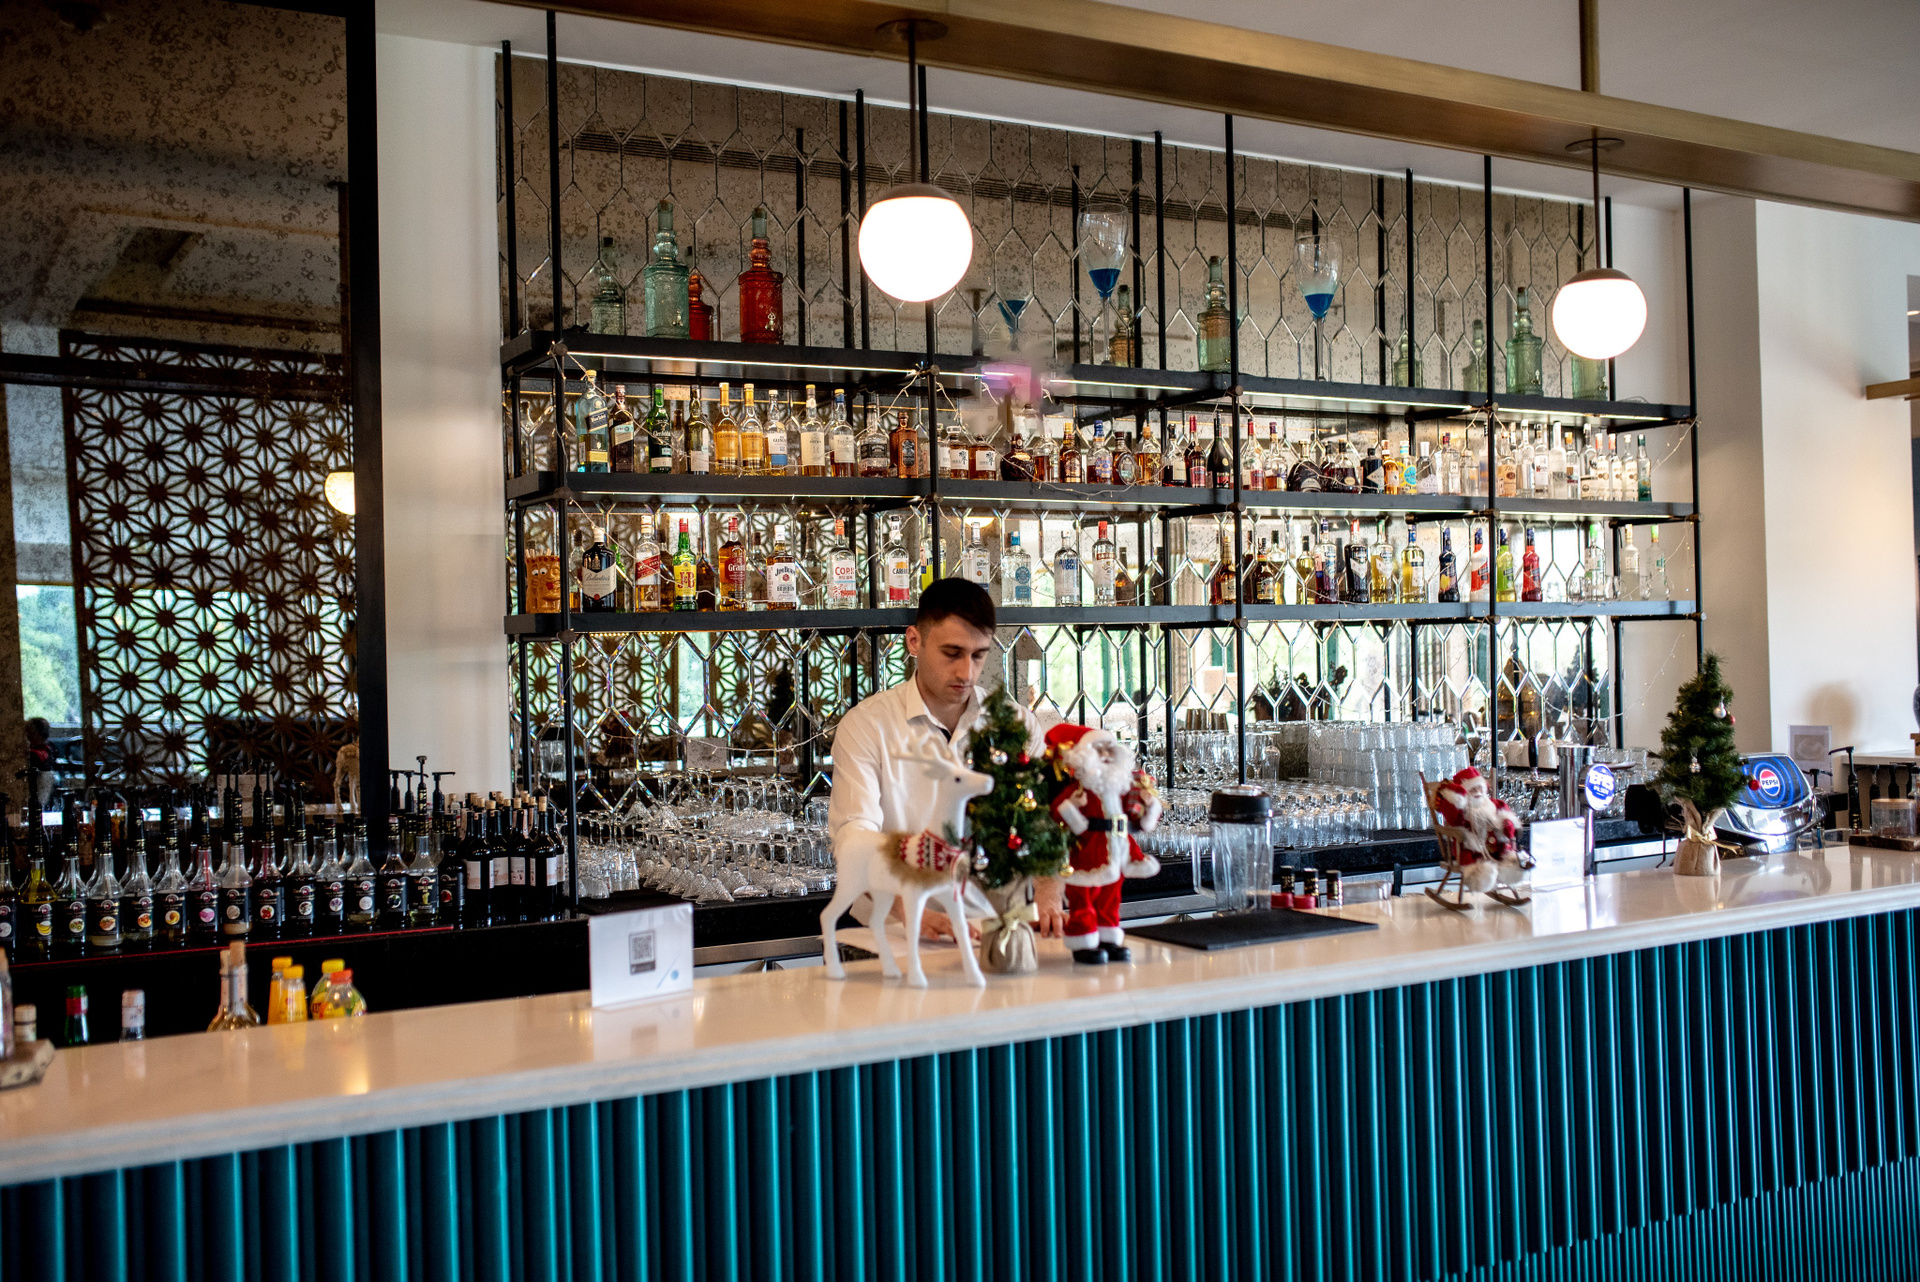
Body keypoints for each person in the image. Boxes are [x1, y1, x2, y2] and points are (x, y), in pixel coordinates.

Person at [828, 578, 1066, 939]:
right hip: (899, 934)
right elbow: (854, 837)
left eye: (978, 655)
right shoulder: (867, 726)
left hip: (1004, 929)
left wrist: (1049, 897)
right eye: (952, 653)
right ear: (914, 641)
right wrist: (908, 910)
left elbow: (1043, 826)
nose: (966, 672)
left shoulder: (1016, 724)